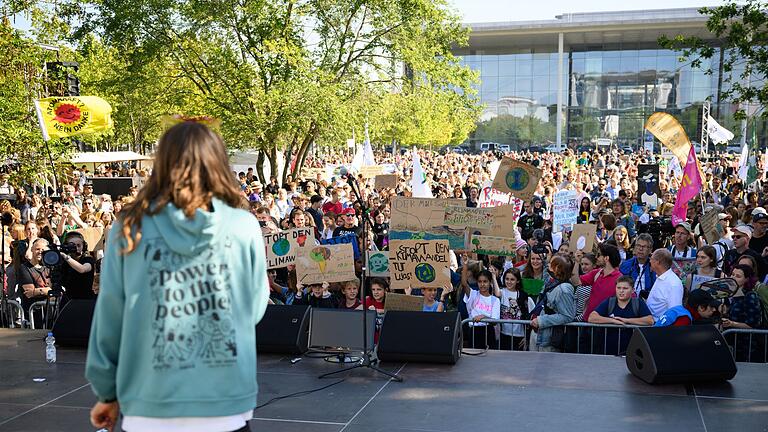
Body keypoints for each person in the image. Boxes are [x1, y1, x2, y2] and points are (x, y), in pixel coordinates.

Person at [86, 121, 269, 432]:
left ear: (163, 164)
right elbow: (253, 307)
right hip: (224, 401)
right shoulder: (244, 227)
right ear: (218, 164)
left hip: (149, 401)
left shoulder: (129, 227)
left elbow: (110, 315)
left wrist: (107, 391)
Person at [588, 275, 654, 354]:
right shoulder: (610, 302)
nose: (621, 291)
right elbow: (592, 317)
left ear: (633, 290)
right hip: (608, 350)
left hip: (632, 350)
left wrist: (626, 320)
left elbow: (649, 320)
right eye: (618, 288)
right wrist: (613, 321)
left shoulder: (638, 303)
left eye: (625, 288)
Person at [530, 255, 575, 352]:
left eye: (551, 264)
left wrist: (541, 321)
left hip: (548, 339)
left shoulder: (564, 289)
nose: (548, 265)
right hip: (539, 334)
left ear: (557, 268)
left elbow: (567, 316)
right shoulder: (551, 282)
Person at [572, 243, 622, 322]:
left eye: (599, 255)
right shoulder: (596, 273)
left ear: (606, 258)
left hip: (606, 325)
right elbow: (575, 282)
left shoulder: (620, 279)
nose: (596, 257)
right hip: (587, 322)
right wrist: (577, 262)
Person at [497, 267, 534, 350]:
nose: (509, 282)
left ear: (517, 281)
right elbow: (496, 292)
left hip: (519, 335)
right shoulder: (501, 292)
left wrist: (527, 337)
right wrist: (493, 276)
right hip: (504, 334)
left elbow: (530, 318)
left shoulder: (524, 296)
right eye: (507, 279)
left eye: (512, 279)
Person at [462, 269, 500, 349]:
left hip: (488, 332)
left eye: (485, 281)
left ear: (490, 282)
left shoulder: (495, 300)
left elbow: (495, 321)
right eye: (480, 281)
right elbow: (464, 284)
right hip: (474, 331)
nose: (482, 284)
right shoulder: (473, 294)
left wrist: (483, 317)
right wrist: (465, 265)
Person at [646, 248, 684, 320]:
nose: (650, 261)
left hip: (660, 327)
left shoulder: (673, 284)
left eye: (651, 258)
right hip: (651, 324)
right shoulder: (659, 277)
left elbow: (674, 312)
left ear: (657, 262)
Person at [59, 231, 96, 301]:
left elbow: (82, 269)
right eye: (72, 246)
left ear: (84, 246)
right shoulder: (64, 262)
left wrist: (66, 257)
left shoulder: (88, 259)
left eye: (79, 245)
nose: (76, 248)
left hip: (85, 300)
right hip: (69, 300)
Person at [619, 233, 656, 298]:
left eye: (644, 246)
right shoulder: (625, 265)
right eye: (638, 245)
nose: (640, 249)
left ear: (650, 250)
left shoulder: (655, 267)